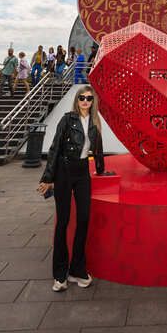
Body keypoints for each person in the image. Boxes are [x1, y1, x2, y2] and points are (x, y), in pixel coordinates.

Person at [37, 86, 114, 292]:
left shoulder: (94, 124)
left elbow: (98, 150)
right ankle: (60, 275)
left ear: (93, 101)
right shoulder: (67, 119)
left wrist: (102, 170)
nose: (85, 101)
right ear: (77, 99)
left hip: (82, 174)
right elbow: (54, 148)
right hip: (63, 171)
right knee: (62, 222)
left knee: (83, 219)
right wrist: (47, 178)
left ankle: (77, 269)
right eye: (82, 97)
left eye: (89, 98)